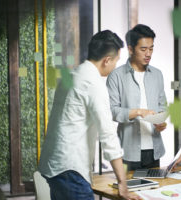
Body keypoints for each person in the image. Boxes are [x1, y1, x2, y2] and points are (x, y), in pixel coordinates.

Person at [38, 30, 139, 200]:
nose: (115, 66)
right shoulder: (94, 84)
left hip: (55, 166)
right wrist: (122, 183)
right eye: (115, 61)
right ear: (107, 60)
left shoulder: (70, 76)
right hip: (70, 169)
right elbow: (108, 135)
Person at [106, 24, 167, 170]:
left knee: (153, 191)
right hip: (128, 150)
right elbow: (112, 111)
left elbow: (162, 106)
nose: (148, 54)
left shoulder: (157, 74)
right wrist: (139, 112)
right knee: (131, 191)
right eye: (143, 49)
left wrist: (161, 122)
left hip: (154, 150)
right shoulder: (116, 76)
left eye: (151, 48)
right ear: (130, 49)